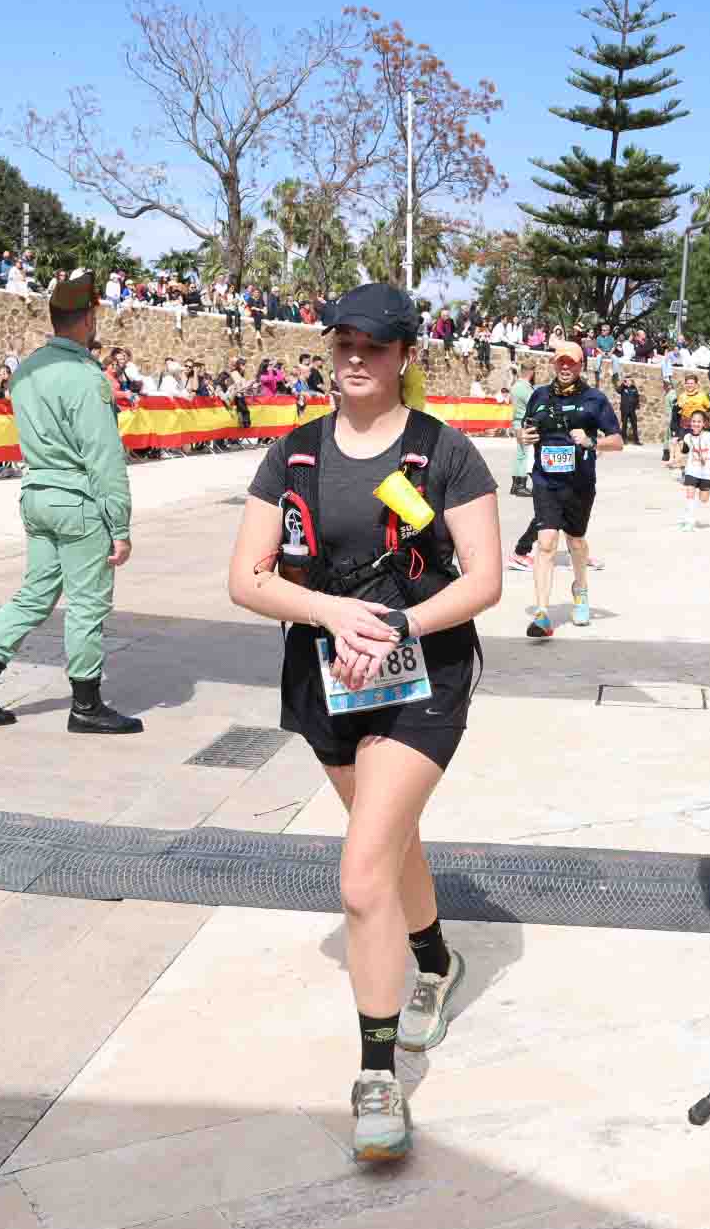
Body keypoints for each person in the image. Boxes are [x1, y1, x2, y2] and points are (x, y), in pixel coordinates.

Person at [224, 281, 501, 1163]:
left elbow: (484, 579)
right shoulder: (293, 454)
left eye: (375, 345)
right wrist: (329, 613)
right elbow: (246, 577)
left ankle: (377, 1078)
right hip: (327, 680)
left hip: (422, 679)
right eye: (343, 340)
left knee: (358, 875)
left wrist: (394, 628)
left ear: (406, 355)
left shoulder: (445, 453)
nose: (355, 356)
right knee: (388, 842)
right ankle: (436, 962)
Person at [0, 273, 143, 735]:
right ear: (88, 319)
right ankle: (86, 705)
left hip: (37, 493)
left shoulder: (26, 372)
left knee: (34, 594)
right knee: (87, 604)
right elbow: (103, 457)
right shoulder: (85, 377)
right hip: (78, 502)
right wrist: (119, 525)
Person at [521, 338, 623, 638]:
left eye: (571, 363)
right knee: (546, 543)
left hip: (579, 483)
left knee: (575, 542)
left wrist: (592, 441)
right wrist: (522, 437)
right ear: (554, 364)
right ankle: (542, 613)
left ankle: (580, 589)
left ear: (581, 366)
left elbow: (617, 441)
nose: (565, 367)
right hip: (545, 481)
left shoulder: (594, 399)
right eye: (561, 362)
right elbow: (524, 429)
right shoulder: (539, 396)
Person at [677, 410, 710, 531]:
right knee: (690, 493)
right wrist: (679, 444)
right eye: (694, 421)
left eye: (699, 422)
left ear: (703, 423)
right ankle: (689, 520)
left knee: (703, 499)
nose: (696, 424)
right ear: (690, 422)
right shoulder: (687, 437)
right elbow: (684, 450)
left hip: (707, 470)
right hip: (692, 468)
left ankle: (707, 489)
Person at [507, 355, 537, 501]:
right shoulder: (525, 388)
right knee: (525, 455)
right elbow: (534, 405)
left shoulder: (515, 386)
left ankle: (515, 484)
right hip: (525, 424)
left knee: (520, 454)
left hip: (517, 423)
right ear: (531, 371)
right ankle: (521, 485)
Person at [617, 375, 642, 448]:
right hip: (624, 409)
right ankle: (624, 440)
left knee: (634, 424)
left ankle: (636, 440)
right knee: (624, 424)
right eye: (627, 380)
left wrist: (637, 407)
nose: (628, 382)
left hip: (632, 410)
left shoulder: (634, 388)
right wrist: (623, 384)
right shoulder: (623, 388)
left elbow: (637, 397)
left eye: (629, 380)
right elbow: (618, 391)